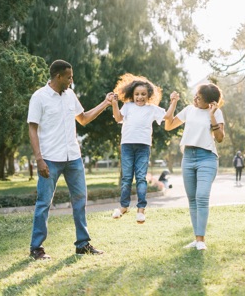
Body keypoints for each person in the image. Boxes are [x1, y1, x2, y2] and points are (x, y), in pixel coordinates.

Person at [27, 59, 114, 260]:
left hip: (73, 157)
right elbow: (32, 128)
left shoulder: (70, 95)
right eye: (69, 77)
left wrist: (106, 103)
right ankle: (36, 248)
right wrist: (39, 159)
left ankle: (82, 245)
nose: (71, 80)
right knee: (43, 203)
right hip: (50, 159)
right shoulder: (39, 97)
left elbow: (83, 118)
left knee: (80, 200)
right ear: (58, 76)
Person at [111, 73, 179, 224]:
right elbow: (118, 118)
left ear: (149, 95)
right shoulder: (128, 106)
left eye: (143, 94)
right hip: (127, 145)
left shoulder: (152, 109)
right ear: (132, 95)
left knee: (141, 177)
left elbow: (168, 116)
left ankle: (141, 210)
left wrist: (173, 102)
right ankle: (123, 207)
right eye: (137, 94)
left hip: (143, 146)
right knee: (127, 178)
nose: (140, 97)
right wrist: (114, 104)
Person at [165, 83, 225, 251]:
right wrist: (174, 103)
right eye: (196, 95)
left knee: (202, 196)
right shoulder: (189, 110)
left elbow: (220, 138)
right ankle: (197, 239)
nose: (195, 99)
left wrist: (212, 116)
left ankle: (201, 240)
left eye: (199, 98)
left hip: (207, 158)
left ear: (210, 102)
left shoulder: (216, 112)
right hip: (188, 157)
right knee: (192, 200)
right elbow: (168, 126)